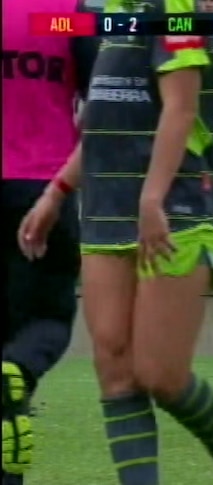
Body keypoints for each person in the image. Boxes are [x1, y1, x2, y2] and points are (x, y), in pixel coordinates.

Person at [17, 2, 213, 484]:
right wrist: (56, 192)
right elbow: (105, 123)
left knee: (161, 375)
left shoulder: (176, 13)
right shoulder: (112, 18)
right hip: (108, 209)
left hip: (179, 207)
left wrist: (153, 198)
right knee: (114, 367)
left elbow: (182, 107)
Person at [1, 1, 98, 483]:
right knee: (48, 318)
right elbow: (104, 106)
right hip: (43, 189)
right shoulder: (65, 16)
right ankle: (19, 366)